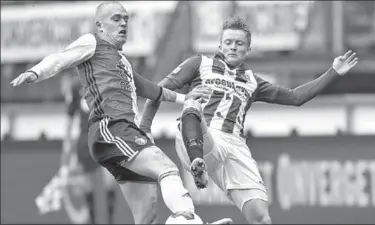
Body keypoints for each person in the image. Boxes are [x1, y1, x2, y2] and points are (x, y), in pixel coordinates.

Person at [11, 2, 232, 224]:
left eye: (126, 18)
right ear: (100, 26)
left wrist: (187, 98)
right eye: (116, 19)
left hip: (123, 133)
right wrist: (36, 71)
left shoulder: (122, 61)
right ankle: (192, 220)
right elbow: (59, 58)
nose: (124, 23)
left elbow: (150, 89)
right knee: (167, 168)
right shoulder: (92, 42)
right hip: (111, 127)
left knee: (147, 216)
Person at [140, 16, 358, 224]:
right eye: (228, 42)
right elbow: (158, 91)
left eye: (239, 43)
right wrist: (144, 129)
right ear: (220, 47)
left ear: (248, 50)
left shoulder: (253, 82)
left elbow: (295, 97)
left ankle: (202, 171)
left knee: (261, 218)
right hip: (197, 136)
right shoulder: (199, 63)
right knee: (192, 103)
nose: (233, 47)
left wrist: (333, 72)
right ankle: (198, 164)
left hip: (233, 145)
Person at [61, 74, 117, 224]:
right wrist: (66, 143)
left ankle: (110, 220)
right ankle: (93, 221)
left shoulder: (108, 79)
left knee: (109, 180)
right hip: (85, 139)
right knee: (87, 183)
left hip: (106, 136)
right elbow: (70, 115)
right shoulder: (76, 85)